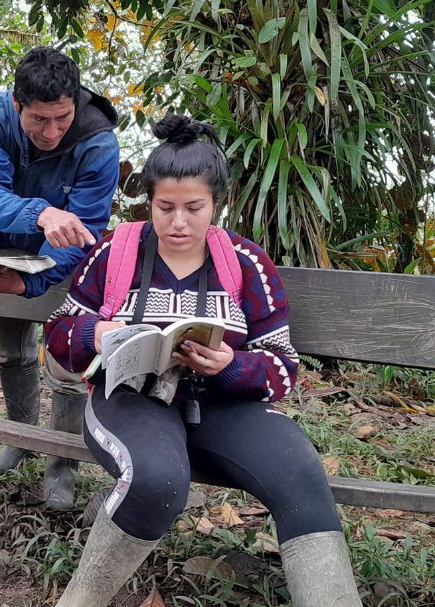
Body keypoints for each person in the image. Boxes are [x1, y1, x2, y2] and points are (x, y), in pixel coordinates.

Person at [44, 115, 361, 607]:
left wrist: (229, 364)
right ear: (147, 201)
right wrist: (97, 333)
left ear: (217, 203)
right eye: (164, 207)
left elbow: (281, 368)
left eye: (194, 207)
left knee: (300, 473)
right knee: (156, 481)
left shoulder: (246, 262)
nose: (178, 222)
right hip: (130, 400)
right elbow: (59, 335)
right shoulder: (116, 252)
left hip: (221, 406)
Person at [0, 46, 120, 509]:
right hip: (9, 246)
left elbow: (87, 230)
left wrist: (34, 282)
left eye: (62, 118)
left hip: (67, 264)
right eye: (38, 120)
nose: (51, 132)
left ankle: (62, 462)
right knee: (11, 349)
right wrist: (40, 214)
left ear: (75, 103)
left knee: (69, 359)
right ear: (17, 104)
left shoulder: (98, 143)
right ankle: (20, 438)